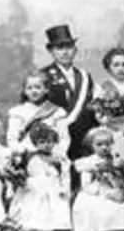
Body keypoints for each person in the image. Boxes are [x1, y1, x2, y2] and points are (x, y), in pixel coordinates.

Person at [71, 127, 124, 231]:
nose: (104, 148)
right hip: (94, 192)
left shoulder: (116, 160)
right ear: (92, 146)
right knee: (102, 209)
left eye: (107, 144)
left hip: (114, 189)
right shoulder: (89, 163)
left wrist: (121, 185)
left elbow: (123, 178)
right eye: (99, 145)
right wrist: (103, 191)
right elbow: (86, 185)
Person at [39, 25, 98, 165]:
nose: (65, 52)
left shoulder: (84, 76)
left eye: (69, 47)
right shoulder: (43, 76)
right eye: (59, 48)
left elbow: (91, 107)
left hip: (84, 140)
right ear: (51, 51)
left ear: (75, 50)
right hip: (57, 140)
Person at [9, 122, 72, 231]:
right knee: (34, 211)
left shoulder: (58, 157)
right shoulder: (30, 156)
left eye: (50, 141)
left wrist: (64, 188)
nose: (47, 145)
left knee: (54, 211)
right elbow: (25, 173)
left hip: (53, 188)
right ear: (35, 143)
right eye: (42, 142)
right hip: (34, 188)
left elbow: (64, 175)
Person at [8, 72, 71, 157]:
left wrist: (57, 153)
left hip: (51, 155)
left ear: (46, 89)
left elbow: (64, 139)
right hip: (26, 155)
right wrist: (21, 152)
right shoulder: (17, 112)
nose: (34, 91)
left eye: (38, 87)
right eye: (29, 88)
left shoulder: (57, 112)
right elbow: (12, 139)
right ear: (25, 91)